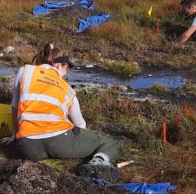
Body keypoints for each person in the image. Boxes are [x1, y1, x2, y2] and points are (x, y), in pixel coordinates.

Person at [10, 43, 122, 182]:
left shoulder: (25, 71)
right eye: (67, 67)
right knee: (109, 143)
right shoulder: (67, 89)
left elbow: (15, 105)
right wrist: (83, 139)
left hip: (27, 146)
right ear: (59, 65)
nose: (66, 72)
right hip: (58, 143)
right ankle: (98, 163)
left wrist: (14, 134)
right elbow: (80, 124)